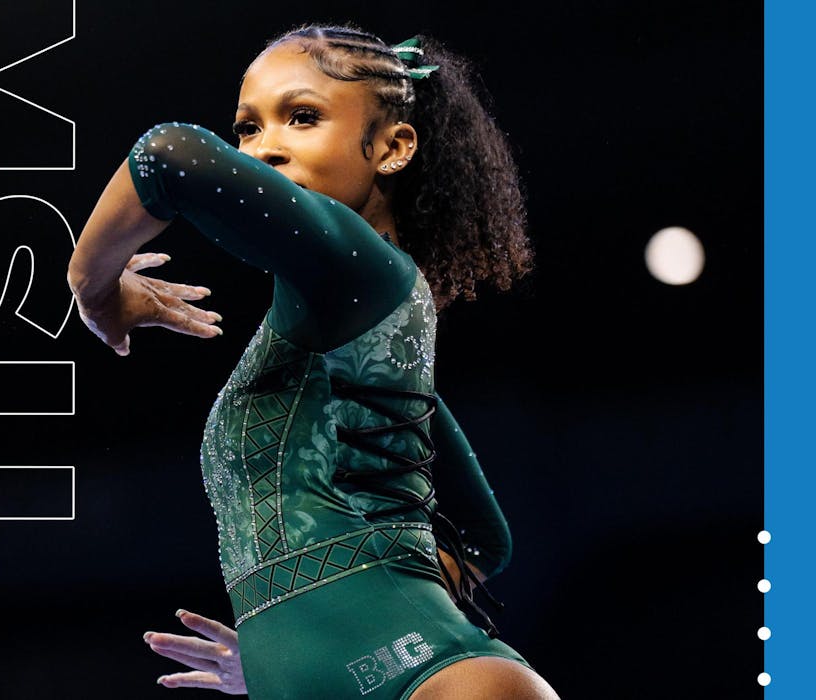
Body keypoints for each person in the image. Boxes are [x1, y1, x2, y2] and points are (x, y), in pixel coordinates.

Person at [68, 23, 558, 699]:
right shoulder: (354, 341)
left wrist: (93, 289)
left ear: (392, 147)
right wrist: (295, 652)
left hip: (440, 681)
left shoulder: (368, 277)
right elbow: (482, 540)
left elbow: (167, 155)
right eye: (246, 128)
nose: (264, 148)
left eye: (302, 117)